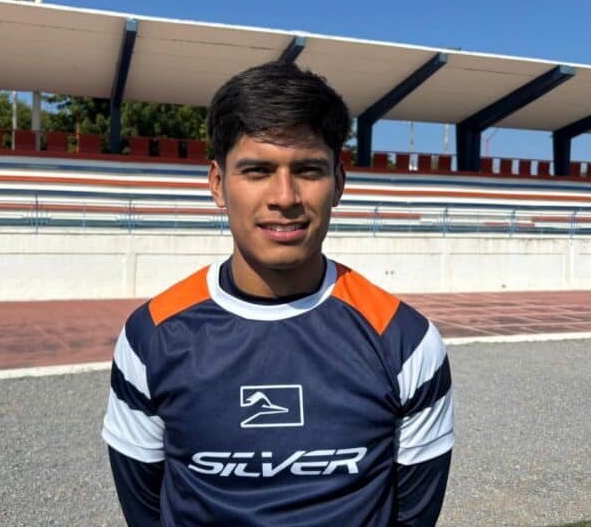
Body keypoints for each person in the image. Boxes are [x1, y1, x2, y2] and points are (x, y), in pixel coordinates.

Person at [102, 61, 454, 526]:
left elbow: (414, 516)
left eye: (308, 169)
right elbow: (144, 509)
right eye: (257, 170)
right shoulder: (151, 336)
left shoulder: (405, 341)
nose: (285, 197)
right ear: (218, 184)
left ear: (338, 184)